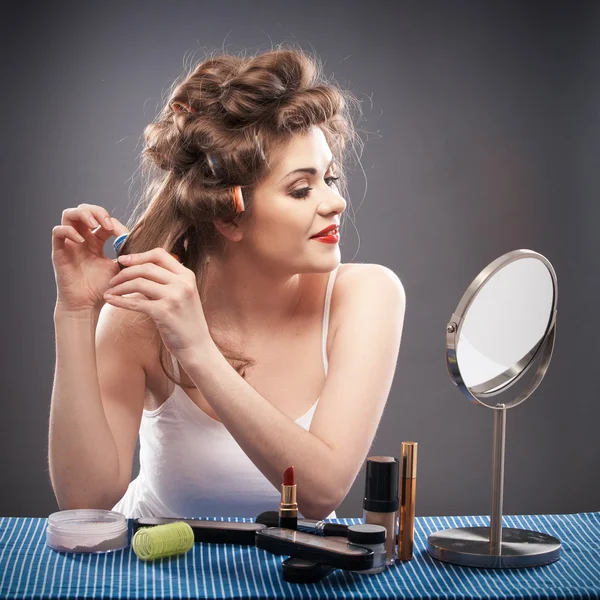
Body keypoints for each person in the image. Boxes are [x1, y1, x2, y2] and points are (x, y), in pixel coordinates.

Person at [49, 47, 406, 520]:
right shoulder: (144, 311)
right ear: (227, 216)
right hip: (159, 570)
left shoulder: (366, 296)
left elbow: (320, 495)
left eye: (330, 178)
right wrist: (75, 312)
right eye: (301, 189)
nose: (334, 203)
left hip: (294, 576)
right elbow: (84, 500)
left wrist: (197, 348)